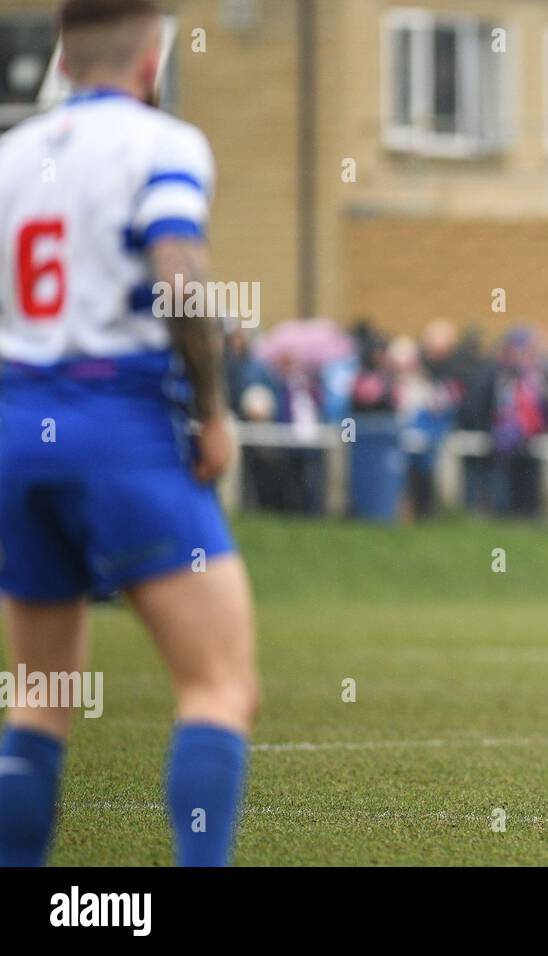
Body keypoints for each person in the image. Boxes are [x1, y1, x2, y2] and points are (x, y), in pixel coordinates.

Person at [0, 0, 258, 865]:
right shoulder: (165, 144)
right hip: (116, 423)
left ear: (63, 60)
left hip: (13, 426)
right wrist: (214, 409)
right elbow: (179, 271)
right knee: (219, 685)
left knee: (38, 701)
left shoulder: (11, 154)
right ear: (153, 59)